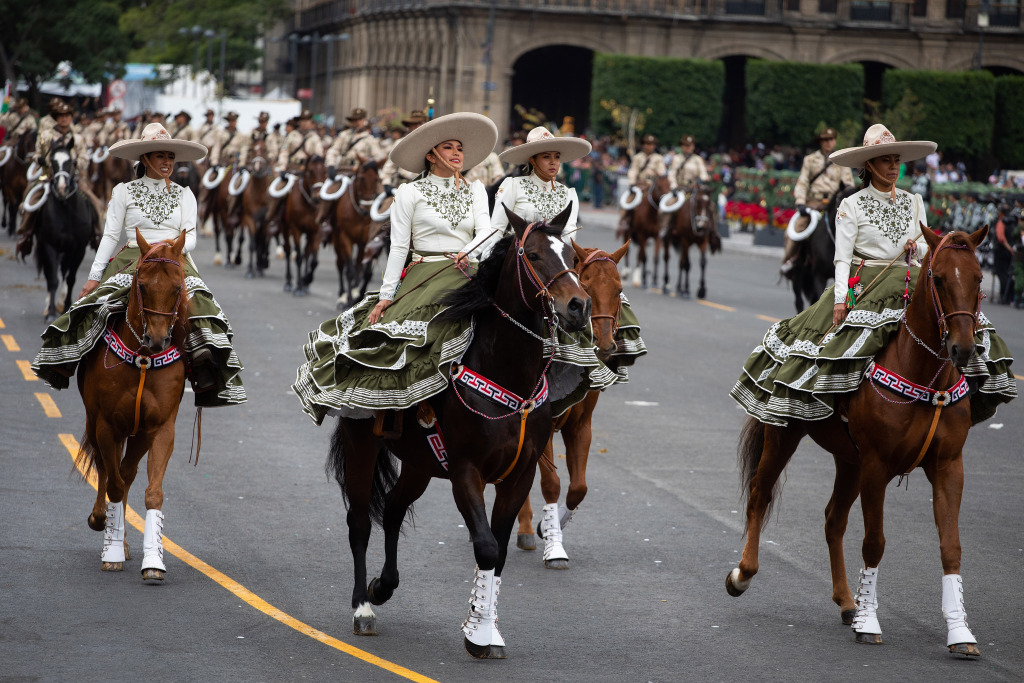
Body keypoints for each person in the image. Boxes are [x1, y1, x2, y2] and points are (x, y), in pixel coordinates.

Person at [292, 112, 616, 426]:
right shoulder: (408, 192)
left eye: (460, 148)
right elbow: (400, 248)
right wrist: (386, 295)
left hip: (470, 267)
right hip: (426, 271)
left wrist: (470, 253)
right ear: (431, 155)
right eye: (449, 147)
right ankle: (415, 410)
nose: (457, 153)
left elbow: (487, 232)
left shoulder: (475, 189)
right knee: (420, 335)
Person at [731, 123, 1014, 429]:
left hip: (911, 278)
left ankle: (964, 389)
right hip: (867, 282)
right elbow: (842, 257)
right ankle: (844, 405)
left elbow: (923, 248)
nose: (893, 167)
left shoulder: (913, 201)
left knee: (961, 318)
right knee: (844, 341)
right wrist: (840, 299)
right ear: (870, 164)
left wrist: (915, 248)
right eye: (885, 160)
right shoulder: (850, 204)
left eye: (896, 160)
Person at [31, 123, 246, 407]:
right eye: (160, 156)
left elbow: (190, 235)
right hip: (132, 256)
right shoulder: (124, 192)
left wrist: (167, 248)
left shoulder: (186, 194)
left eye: (170, 157)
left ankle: (203, 370)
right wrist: (94, 277)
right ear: (145, 159)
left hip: (174, 257)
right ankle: (69, 361)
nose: (167, 162)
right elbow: (110, 236)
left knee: (202, 305)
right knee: (97, 303)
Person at [781, 127, 855, 274]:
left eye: (831, 139)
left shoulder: (842, 160)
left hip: (835, 205)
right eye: (825, 140)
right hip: (813, 204)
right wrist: (801, 203)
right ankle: (790, 260)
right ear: (820, 142)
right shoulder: (809, 160)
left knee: (854, 230)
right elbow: (802, 183)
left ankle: (856, 265)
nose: (829, 142)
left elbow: (848, 184)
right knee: (794, 231)